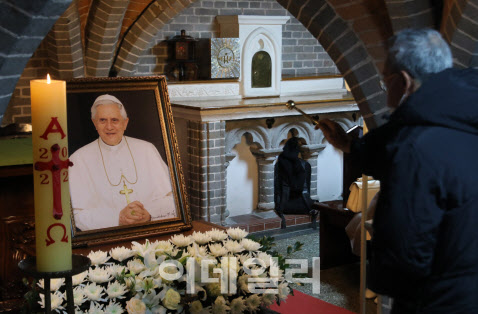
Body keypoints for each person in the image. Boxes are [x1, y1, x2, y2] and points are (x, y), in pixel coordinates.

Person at [317, 29, 478, 313]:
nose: (382, 87)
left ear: (403, 81)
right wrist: (349, 145)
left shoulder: (416, 149)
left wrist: (385, 280)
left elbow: (404, 249)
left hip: (439, 299)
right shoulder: (456, 109)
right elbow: (392, 141)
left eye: (383, 80)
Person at [69, 94, 176, 231]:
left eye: (115, 120)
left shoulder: (147, 149)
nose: (109, 127)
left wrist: (149, 213)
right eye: (102, 120)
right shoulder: (78, 159)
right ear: (94, 123)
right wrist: (117, 218)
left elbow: (173, 199)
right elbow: (77, 215)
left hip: (150, 231)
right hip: (108, 238)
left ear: (125, 123)